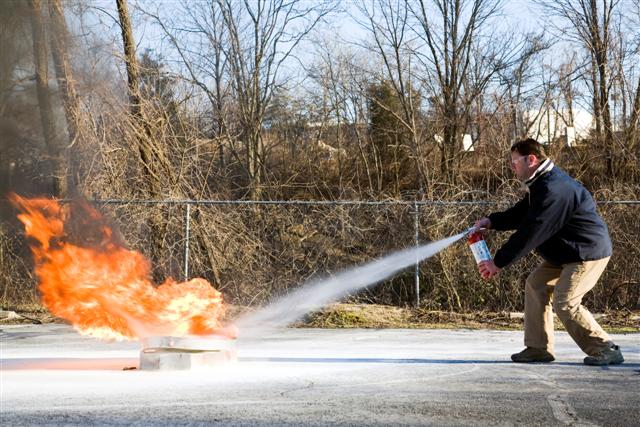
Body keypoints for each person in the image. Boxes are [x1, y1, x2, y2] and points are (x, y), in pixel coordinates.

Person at [475, 138, 623, 366]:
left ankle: (606, 348)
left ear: (531, 159)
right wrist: (492, 221)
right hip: (566, 253)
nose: (512, 167)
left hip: (586, 252)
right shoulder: (542, 183)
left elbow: (531, 232)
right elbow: (522, 213)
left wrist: (498, 262)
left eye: (514, 162)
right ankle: (538, 348)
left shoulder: (553, 189)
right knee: (535, 285)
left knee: (565, 301)